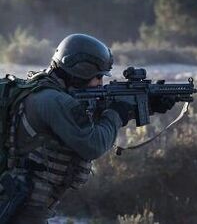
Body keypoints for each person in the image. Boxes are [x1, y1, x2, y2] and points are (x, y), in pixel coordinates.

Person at [0, 33, 175, 223]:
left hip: (24, 198)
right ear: (80, 71)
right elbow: (93, 144)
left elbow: (86, 121)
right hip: (26, 205)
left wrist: (146, 106)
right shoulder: (55, 101)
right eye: (98, 76)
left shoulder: (45, 91)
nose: (101, 82)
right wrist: (117, 113)